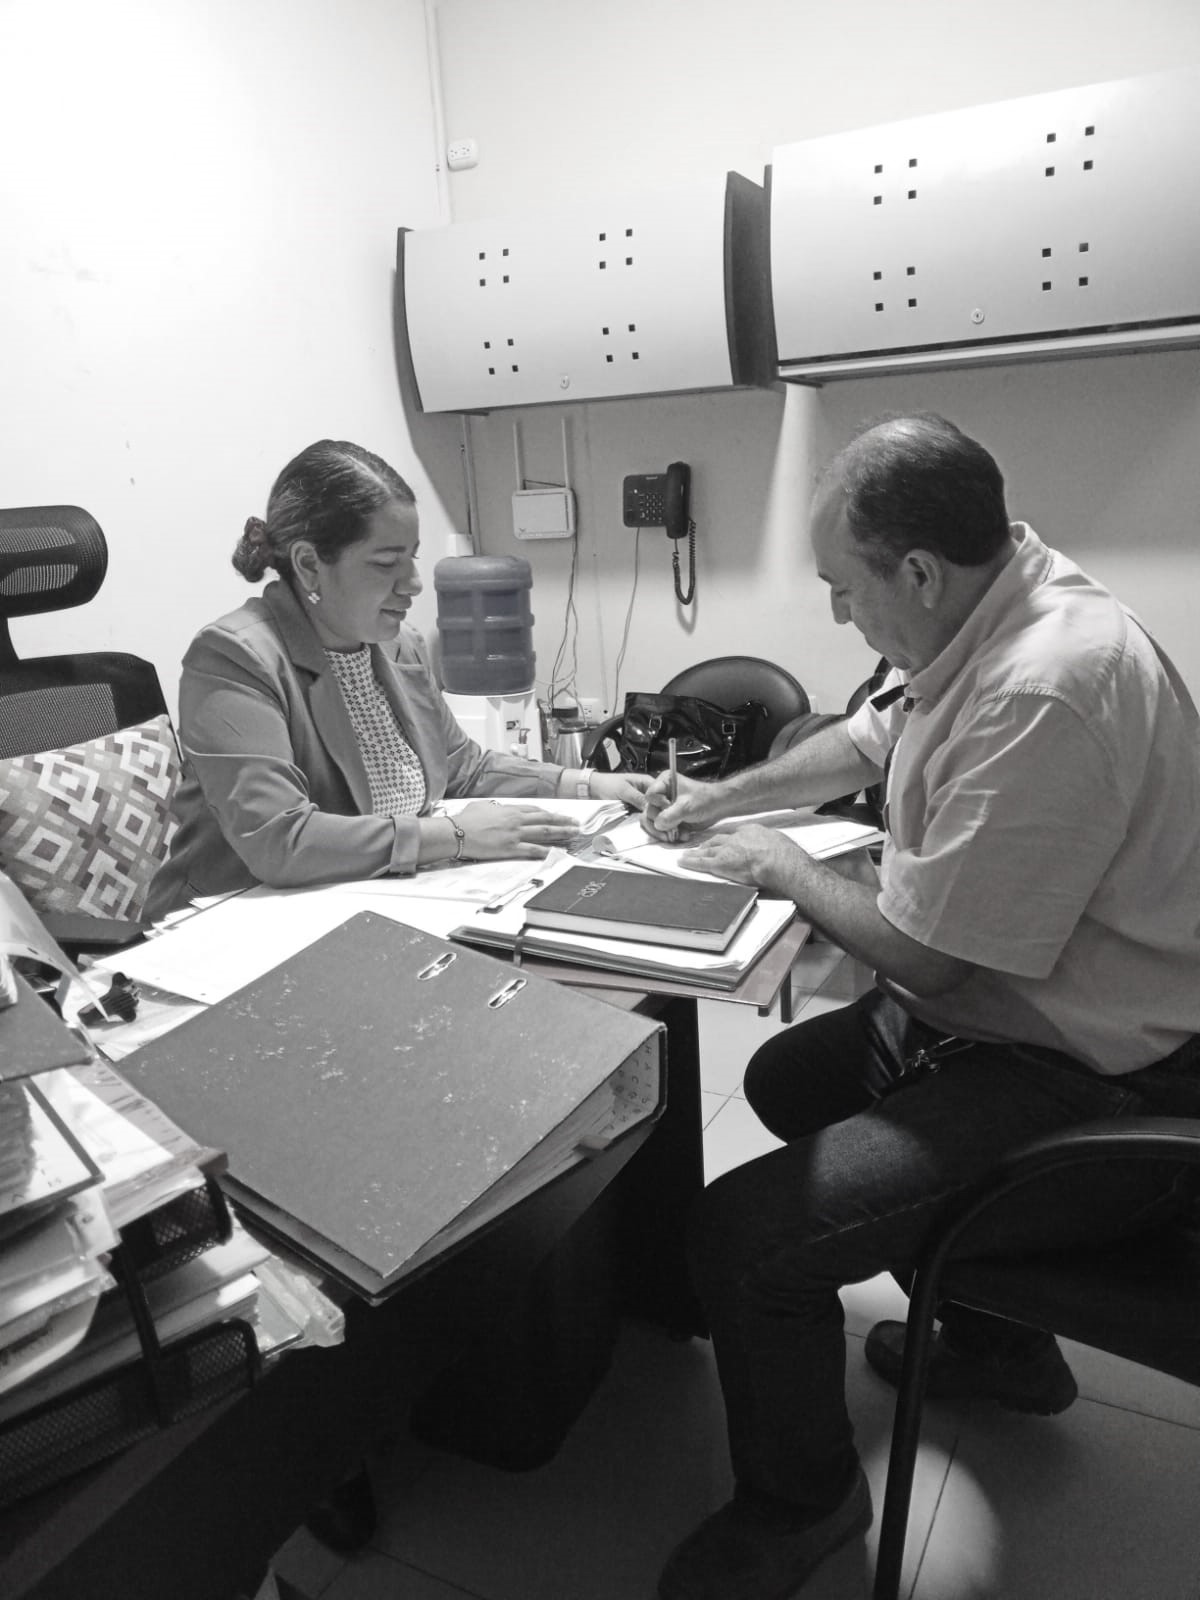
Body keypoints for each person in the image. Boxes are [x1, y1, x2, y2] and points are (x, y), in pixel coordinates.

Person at [647, 414, 1200, 1600]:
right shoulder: (992, 601)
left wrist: (781, 866)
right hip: (1027, 1020)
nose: (836, 611)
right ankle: (1004, 1347)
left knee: (744, 1238)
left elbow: (928, 959)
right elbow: (867, 737)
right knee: (785, 1077)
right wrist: (722, 799)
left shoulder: (1047, 688)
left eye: (843, 588)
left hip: (1101, 1081)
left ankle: (802, 1502)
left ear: (918, 571)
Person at [147, 439, 648, 920]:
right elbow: (282, 842)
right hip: (232, 927)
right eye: (387, 562)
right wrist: (455, 836)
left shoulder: (396, 645)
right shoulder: (234, 659)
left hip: (372, 905)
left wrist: (590, 784)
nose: (413, 583)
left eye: (412, 557)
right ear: (309, 565)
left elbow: (462, 768)